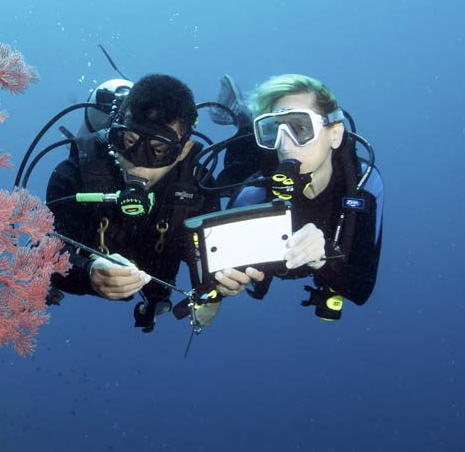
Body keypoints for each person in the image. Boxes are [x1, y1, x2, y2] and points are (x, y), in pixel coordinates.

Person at [46, 74, 222, 332]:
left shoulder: (198, 187)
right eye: (129, 141)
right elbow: (41, 248)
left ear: (183, 150)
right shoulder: (75, 173)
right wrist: (87, 272)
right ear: (114, 133)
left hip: (155, 280)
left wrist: (215, 292)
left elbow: (212, 256)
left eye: (159, 149)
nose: (138, 162)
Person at [217, 74, 384, 319]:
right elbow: (218, 263)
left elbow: (361, 289)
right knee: (231, 176)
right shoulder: (253, 192)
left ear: (334, 134)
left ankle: (248, 119)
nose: (285, 145)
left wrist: (323, 257)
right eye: (274, 128)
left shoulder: (364, 186)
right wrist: (221, 284)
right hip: (253, 169)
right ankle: (247, 121)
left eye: (301, 127)